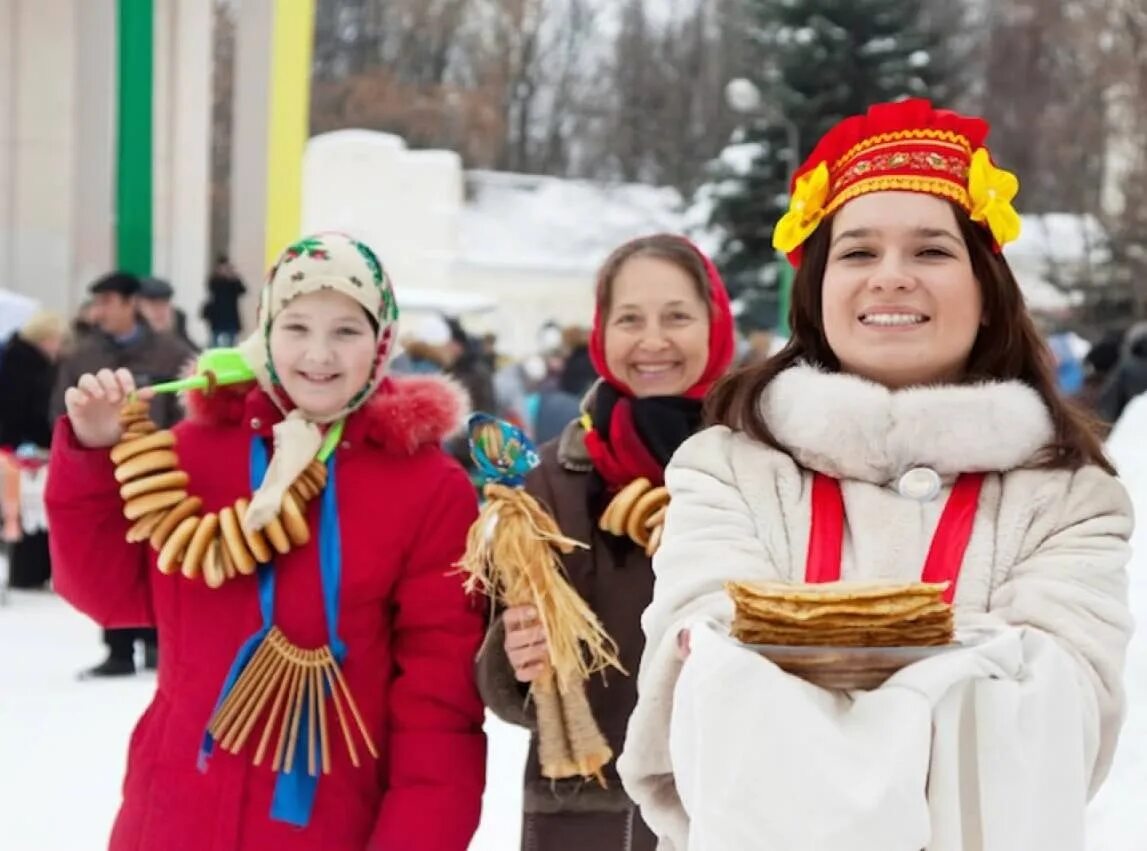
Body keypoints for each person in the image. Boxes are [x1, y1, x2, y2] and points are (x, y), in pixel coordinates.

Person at [617, 99, 1133, 850]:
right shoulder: (724, 469)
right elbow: (701, 688)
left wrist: (799, 677)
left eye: (930, 251)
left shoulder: (1071, 498)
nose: (890, 278)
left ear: (988, 293)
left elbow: (1065, 716)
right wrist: (956, 679)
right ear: (817, 292)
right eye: (857, 253)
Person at [45, 232, 487, 850]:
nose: (318, 354)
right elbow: (110, 597)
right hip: (175, 815)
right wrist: (92, 455)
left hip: (333, 825)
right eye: (297, 326)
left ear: (382, 341)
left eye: (347, 331)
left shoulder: (428, 487)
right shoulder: (192, 455)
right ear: (264, 330)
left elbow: (438, 711)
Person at [476, 233, 735, 849]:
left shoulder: (759, 465)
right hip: (585, 814)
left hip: (726, 806)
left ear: (715, 325)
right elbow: (502, 680)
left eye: (677, 316)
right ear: (600, 332)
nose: (653, 340)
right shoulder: (549, 478)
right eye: (629, 319)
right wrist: (514, 660)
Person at [51, 271, 194, 677]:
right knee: (109, 551)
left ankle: (157, 643)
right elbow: (61, 404)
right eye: (96, 304)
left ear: (131, 304)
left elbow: (197, 404)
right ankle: (117, 650)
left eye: (107, 302)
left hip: (160, 473)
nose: (99, 312)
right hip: (104, 473)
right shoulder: (83, 355)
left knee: (161, 552)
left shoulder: (170, 352)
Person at [0, 311, 65, 588]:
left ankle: (25, 573)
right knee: (26, 508)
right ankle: (26, 574)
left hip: (17, 442)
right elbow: (22, 406)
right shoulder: (28, 363)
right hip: (22, 446)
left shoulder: (14, 355)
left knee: (21, 508)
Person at [139, 276, 197, 351]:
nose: (160, 311)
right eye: (153, 304)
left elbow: (192, 352)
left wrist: (169, 335)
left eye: (164, 304)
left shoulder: (177, 321)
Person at [203, 254, 247, 347]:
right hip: (217, 318)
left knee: (231, 344)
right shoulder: (215, 280)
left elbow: (242, 290)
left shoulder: (233, 281)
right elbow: (211, 288)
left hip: (231, 318)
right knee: (215, 344)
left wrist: (233, 276)